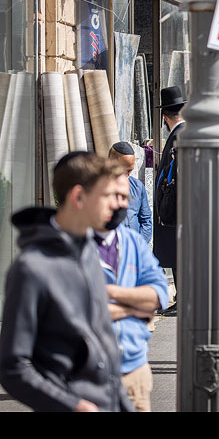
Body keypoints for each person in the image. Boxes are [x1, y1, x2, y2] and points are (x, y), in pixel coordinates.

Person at [0, 152, 134, 412]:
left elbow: (104, 347)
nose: (115, 206)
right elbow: (12, 366)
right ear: (78, 197)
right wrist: (73, 405)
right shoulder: (31, 268)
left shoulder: (88, 253)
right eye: (106, 196)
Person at [94, 172, 169, 412]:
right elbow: (74, 310)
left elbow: (160, 294)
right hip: (88, 375)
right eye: (114, 196)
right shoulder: (71, 245)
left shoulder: (132, 243)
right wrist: (136, 307)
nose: (121, 204)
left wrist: (110, 293)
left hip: (134, 370)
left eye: (125, 197)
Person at [153, 86, 187, 316]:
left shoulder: (178, 136)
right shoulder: (182, 133)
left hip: (175, 209)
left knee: (178, 254)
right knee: (176, 253)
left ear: (165, 117)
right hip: (177, 208)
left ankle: (184, 300)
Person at [108, 141, 152, 243]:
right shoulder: (99, 188)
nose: (128, 174)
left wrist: (138, 245)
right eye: (124, 170)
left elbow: (146, 221)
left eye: (130, 170)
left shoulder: (137, 187)